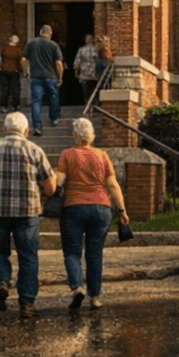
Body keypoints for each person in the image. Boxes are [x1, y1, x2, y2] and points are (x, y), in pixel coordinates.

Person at [0, 111, 57, 320]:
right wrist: (43, 193)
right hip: (27, 211)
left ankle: (0, 281)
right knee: (28, 256)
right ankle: (27, 302)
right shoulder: (34, 150)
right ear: (26, 131)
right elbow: (51, 185)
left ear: (4, 129)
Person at [56, 117, 131, 311]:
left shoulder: (67, 155)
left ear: (75, 135)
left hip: (73, 207)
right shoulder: (102, 155)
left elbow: (59, 182)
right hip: (101, 208)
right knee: (94, 253)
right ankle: (95, 297)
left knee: (72, 251)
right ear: (91, 136)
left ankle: (77, 287)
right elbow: (112, 185)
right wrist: (121, 210)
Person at [23, 24, 64, 134]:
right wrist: (60, 77)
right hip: (50, 76)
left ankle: (37, 126)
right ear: (50, 34)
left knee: (36, 101)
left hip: (36, 76)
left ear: (40, 32)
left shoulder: (31, 43)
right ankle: (54, 118)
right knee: (53, 97)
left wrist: (25, 71)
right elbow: (59, 64)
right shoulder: (54, 45)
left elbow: (23, 60)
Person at [0, 33, 25, 110]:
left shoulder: (4, 48)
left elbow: (0, 58)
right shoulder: (18, 50)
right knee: (15, 88)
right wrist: (23, 71)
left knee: (5, 88)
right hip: (14, 71)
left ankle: (4, 106)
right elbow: (22, 61)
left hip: (4, 70)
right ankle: (16, 105)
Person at [74, 33, 99, 105]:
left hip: (84, 74)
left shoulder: (81, 50)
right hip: (94, 73)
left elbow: (77, 61)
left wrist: (76, 71)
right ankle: (94, 107)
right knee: (94, 92)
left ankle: (87, 107)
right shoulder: (96, 49)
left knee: (86, 93)